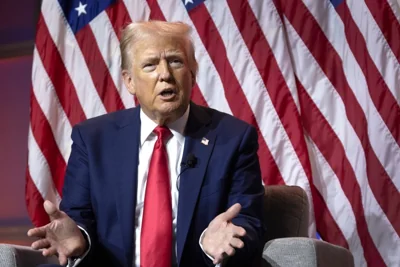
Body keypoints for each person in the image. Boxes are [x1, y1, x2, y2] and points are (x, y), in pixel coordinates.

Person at [28, 20, 264, 267]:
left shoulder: (232, 137)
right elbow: (79, 218)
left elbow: (249, 219)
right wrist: (80, 238)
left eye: (175, 61)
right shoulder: (92, 139)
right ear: (129, 81)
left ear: (192, 72)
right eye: (151, 65)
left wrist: (217, 242)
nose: (165, 75)